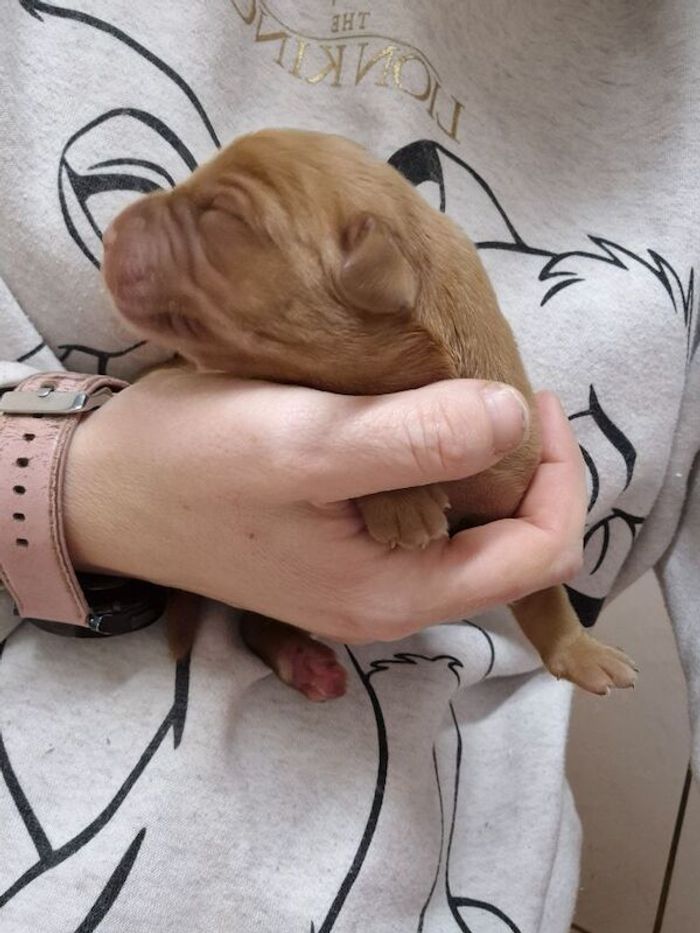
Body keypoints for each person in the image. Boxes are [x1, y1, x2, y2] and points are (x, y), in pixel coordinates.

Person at [0, 3, 698, 931]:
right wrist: (69, 479)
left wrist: (561, 637)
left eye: (222, 218)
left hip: (444, 856)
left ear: (369, 276)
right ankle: (271, 631)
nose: (133, 228)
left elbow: (516, 515)